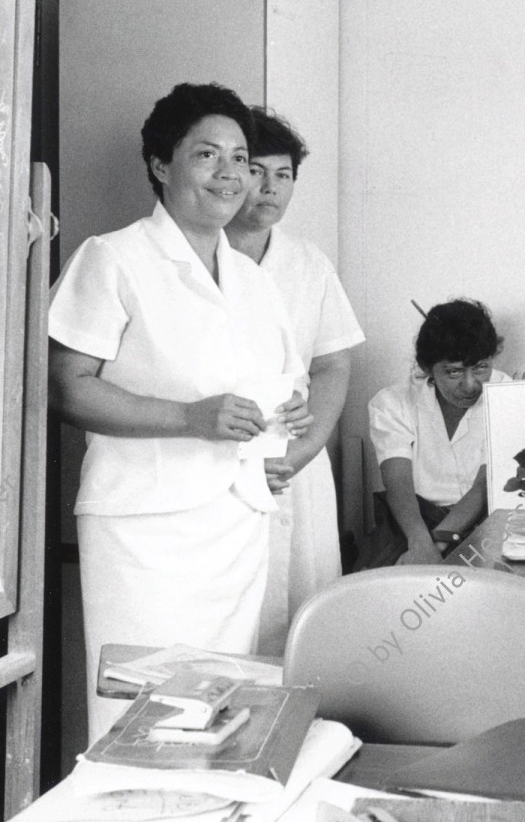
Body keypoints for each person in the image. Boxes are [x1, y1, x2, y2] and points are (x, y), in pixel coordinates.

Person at [46, 82, 310, 741]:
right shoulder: (113, 259)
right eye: (206, 155)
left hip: (236, 525)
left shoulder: (252, 279)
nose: (231, 175)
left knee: (222, 712)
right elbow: (67, 387)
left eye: (240, 158)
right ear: (162, 165)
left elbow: (272, 383)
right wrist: (190, 419)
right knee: (143, 711)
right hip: (144, 532)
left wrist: (283, 421)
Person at [225, 107, 365, 655]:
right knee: (231, 625)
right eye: (257, 171)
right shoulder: (200, 257)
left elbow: (333, 364)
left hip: (297, 463)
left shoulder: (308, 262)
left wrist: (304, 452)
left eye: (283, 176)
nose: (270, 189)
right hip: (223, 460)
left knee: (304, 619)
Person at [365, 300, 508, 567]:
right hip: (411, 523)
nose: (470, 385)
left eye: (480, 368)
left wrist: (439, 544)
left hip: (485, 521)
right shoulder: (392, 402)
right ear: (427, 367)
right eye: (454, 371)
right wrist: (420, 543)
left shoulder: (509, 394)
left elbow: (484, 486)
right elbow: (397, 481)